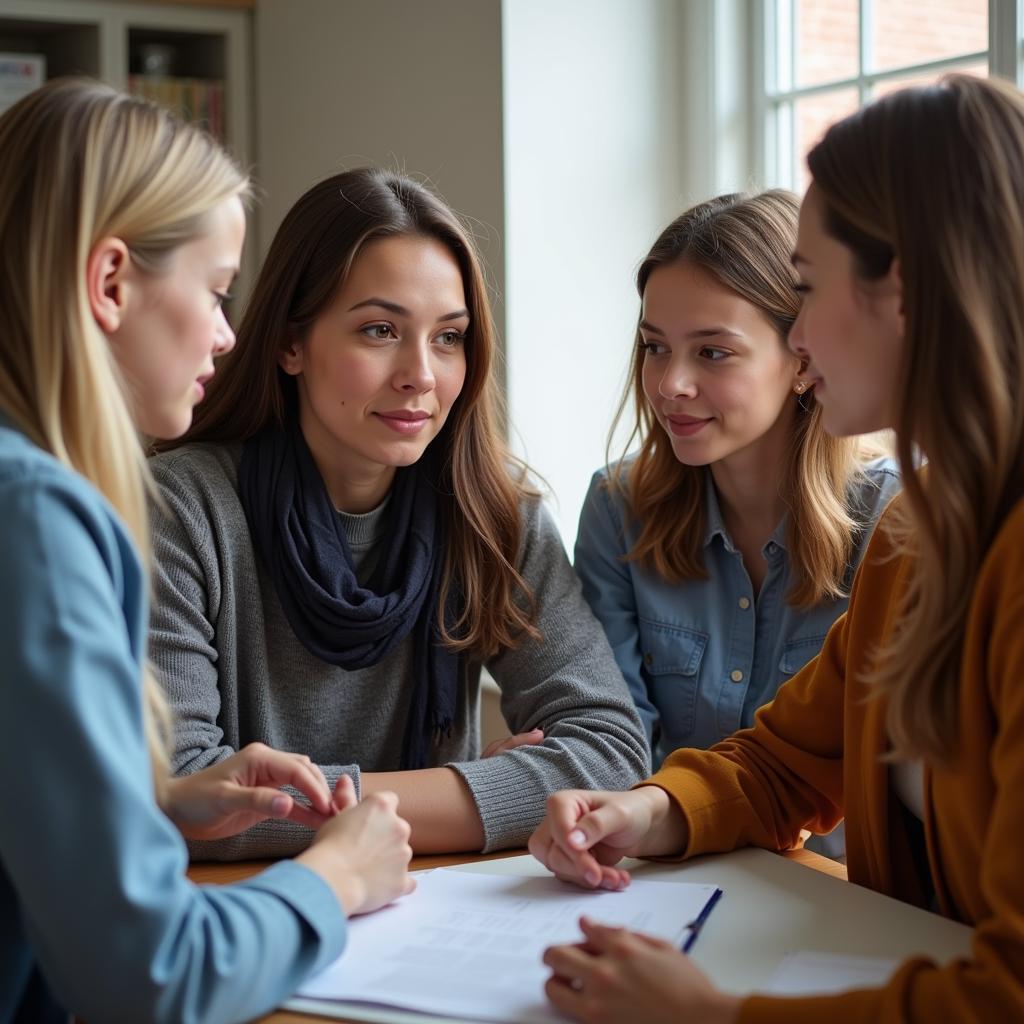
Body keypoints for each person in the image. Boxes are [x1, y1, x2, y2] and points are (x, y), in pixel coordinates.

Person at [529, 73, 1024, 1022]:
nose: (797, 335)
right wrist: (647, 811)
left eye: (804, 292)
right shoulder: (915, 545)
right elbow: (785, 764)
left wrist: (713, 1018)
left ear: (907, 294)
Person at [0, 80, 414, 1024]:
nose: (229, 336)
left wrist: (162, 806)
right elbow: (152, 975)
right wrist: (335, 878)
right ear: (110, 283)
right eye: (218, 291)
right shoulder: (36, 521)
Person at [148, 167, 650, 861]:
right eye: (380, 330)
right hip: (240, 915)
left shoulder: (493, 514)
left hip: (434, 914)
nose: (421, 373)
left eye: (448, 337)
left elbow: (614, 756)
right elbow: (176, 798)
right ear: (291, 344)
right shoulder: (178, 509)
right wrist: (480, 792)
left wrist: (358, 805)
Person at [574, 191, 898, 775]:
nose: (671, 383)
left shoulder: (891, 518)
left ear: (803, 358)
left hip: (823, 870)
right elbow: (615, 754)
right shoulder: (617, 509)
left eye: (713, 352)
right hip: (659, 856)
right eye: (655, 347)